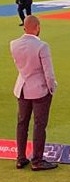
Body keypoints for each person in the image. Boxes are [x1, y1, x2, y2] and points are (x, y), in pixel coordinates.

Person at [10, 15, 58, 171]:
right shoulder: (42, 46)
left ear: (24, 27)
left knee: (22, 123)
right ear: (38, 27)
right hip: (39, 90)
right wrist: (52, 88)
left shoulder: (14, 44)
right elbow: (48, 73)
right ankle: (37, 160)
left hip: (22, 88)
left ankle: (20, 158)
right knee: (39, 125)